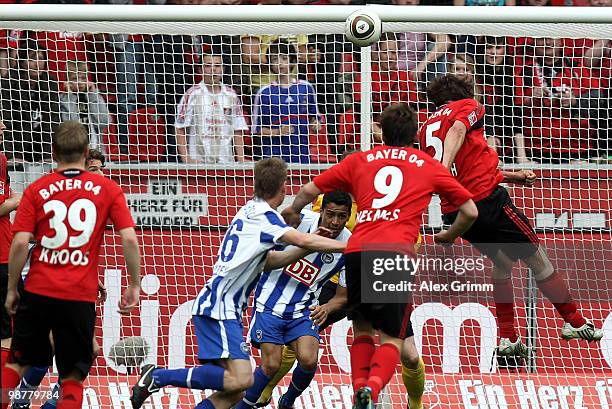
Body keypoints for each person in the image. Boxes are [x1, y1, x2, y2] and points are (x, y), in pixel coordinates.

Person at [282, 103, 478, 408]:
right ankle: (371, 390)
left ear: (381, 132)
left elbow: (308, 190)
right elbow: (470, 211)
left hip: (358, 251)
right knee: (391, 339)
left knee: (361, 329)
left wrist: (293, 211)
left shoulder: (361, 160)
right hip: (395, 254)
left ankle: (361, 391)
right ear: (415, 134)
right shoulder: (428, 166)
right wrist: (449, 235)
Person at [130, 157, 346, 409]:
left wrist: (305, 248)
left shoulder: (249, 209)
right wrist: (355, 246)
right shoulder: (267, 220)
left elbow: (272, 261)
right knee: (241, 379)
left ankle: (158, 376)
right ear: (283, 187)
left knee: (234, 390)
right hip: (220, 305)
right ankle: (158, 376)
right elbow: (305, 241)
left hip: (223, 305)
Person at [418, 74, 603, 358]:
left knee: (501, 262)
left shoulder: (426, 127)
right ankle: (574, 322)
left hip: (456, 210)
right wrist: (443, 170)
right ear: (464, 92)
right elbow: (457, 132)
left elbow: (469, 169)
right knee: (539, 260)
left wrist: (514, 176)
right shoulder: (469, 106)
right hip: (488, 202)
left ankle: (507, 338)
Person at [1, 121, 141, 409]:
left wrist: (12, 287)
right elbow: (128, 238)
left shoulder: (37, 189)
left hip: (39, 289)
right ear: (86, 151)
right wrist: (135, 283)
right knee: (73, 376)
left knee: (16, 365)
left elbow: (18, 243)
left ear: (53, 152)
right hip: (77, 293)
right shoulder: (108, 189)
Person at [10, 148, 110, 409]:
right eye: (95, 168)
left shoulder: (93, 200)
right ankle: (23, 402)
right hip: (39, 284)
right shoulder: (58, 195)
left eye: (102, 168)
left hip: (70, 284)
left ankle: (48, 403)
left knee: (88, 350)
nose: (101, 173)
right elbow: (26, 236)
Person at [236, 190, 352, 409]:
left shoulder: (349, 245)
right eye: (330, 214)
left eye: (341, 216)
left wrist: (327, 307)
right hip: (268, 302)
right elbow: (265, 251)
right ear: (321, 211)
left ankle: (288, 400)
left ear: (348, 216)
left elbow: (343, 297)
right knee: (271, 364)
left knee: (309, 359)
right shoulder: (298, 222)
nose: (335, 221)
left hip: (303, 309)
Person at [252, 40, 321, 163]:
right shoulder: (264, 93)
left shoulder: (306, 88)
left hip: (302, 154)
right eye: (274, 59)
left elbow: (315, 118)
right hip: (274, 157)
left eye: (284, 58)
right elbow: (257, 130)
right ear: (270, 64)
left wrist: (315, 125)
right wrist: (278, 132)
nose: (280, 63)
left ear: (292, 60)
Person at [175, 46, 248, 164]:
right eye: (208, 65)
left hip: (226, 163)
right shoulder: (192, 94)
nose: (213, 69)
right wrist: (187, 159)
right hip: (198, 163)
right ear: (200, 70)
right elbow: (180, 128)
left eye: (217, 65)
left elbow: (238, 128)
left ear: (223, 69)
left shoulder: (231, 95)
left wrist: (241, 159)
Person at [0, 120, 20, 370]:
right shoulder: (0, 159)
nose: (4, 126)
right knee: (9, 332)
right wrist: (24, 199)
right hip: (2, 259)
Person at [59, 61, 111, 152]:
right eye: (75, 79)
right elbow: (70, 126)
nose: (80, 82)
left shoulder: (94, 96)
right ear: (67, 81)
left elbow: (104, 122)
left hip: (95, 149)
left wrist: (93, 95)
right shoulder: (63, 100)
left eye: (83, 78)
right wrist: (70, 97)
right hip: (72, 149)